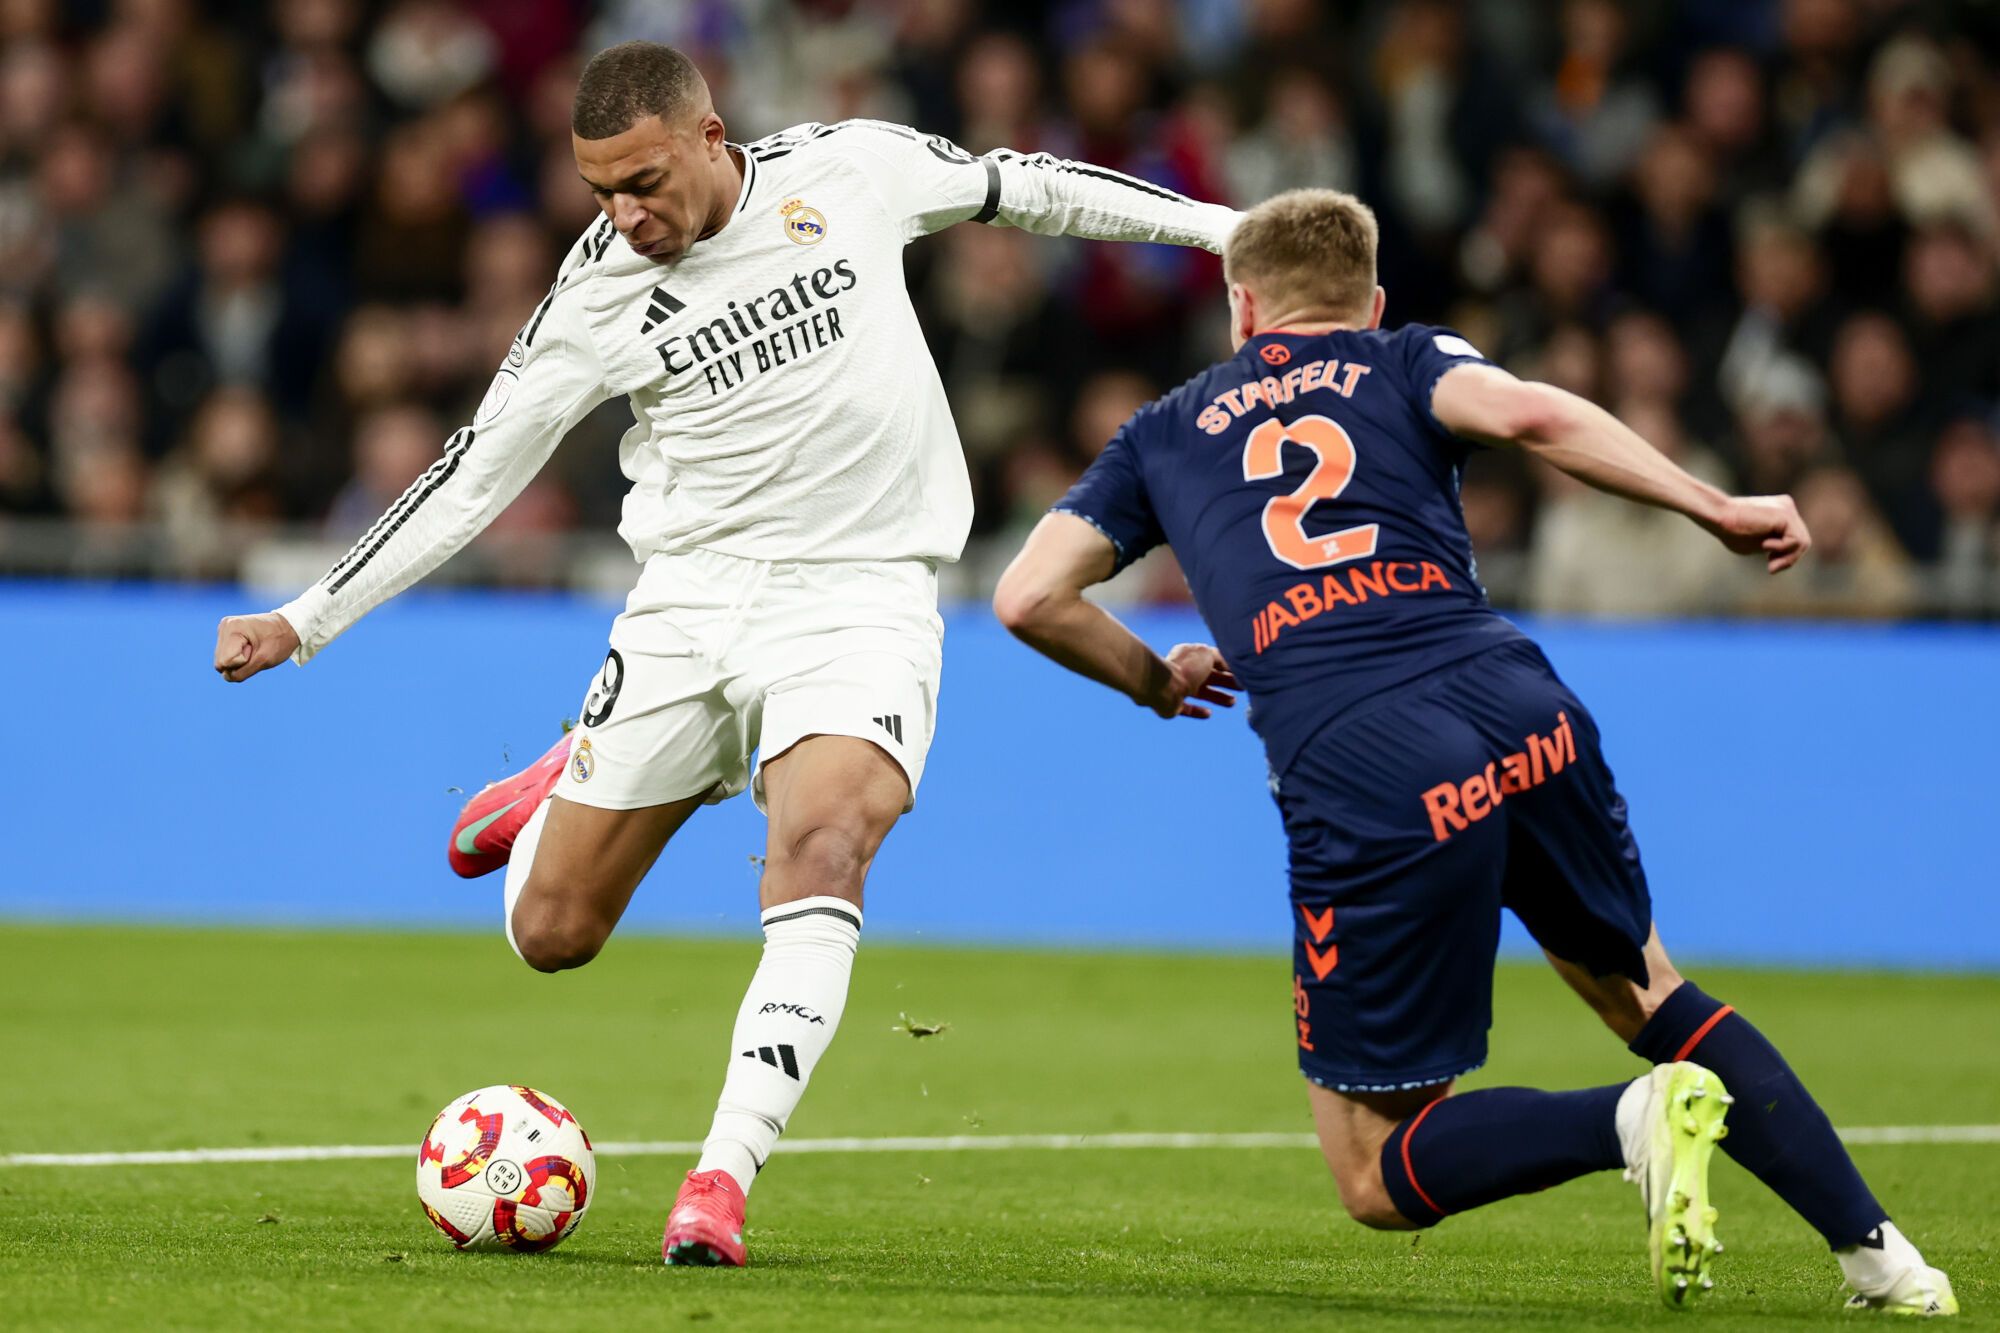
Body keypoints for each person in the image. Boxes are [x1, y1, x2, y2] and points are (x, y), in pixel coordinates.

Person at [210, 41, 1241, 1267]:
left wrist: (1231, 232)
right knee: (551, 931)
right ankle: (576, 777)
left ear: (710, 137)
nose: (623, 213)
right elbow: (472, 470)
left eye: (643, 180)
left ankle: (719, 1181)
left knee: (821, 843)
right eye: (599, 190)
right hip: (691, 607)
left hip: (860, 597)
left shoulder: (852, 170)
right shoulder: (594, 292)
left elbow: (1026, 184)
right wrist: (305, 616)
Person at [992, 188, 1957, 1316]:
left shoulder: (1161, 431)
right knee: (1645, 985)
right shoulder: (1405, 357)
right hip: (1518, 703)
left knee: (1371, 1166)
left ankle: (1630, 1120)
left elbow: (1025, 594)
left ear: (1240, 307)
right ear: (1372, 298)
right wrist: (1712, 505)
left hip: (1362, 751)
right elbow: (1535, 417)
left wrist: (1155, 677)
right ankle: (1887, 1261)